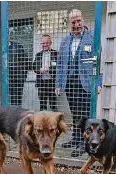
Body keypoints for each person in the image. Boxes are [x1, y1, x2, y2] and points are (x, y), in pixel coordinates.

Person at [55, 9, 103, 157]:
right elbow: (60, 64)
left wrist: (98, 82)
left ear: (83, 20)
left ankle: (84, 143)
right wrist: (58, 84)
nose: (76, 24)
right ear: (69, 23)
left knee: (85, 114)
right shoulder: (64, 41)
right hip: (70, 83)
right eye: (73, 22)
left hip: (86, 83)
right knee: (75, 113)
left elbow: (99, 61)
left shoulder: (92, 37)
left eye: (78, 21)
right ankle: (76, 139)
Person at [0, 33, 29, 106]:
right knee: (1, 102)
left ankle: (15, 117)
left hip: (16, 80)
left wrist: (23, 77)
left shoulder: (18, 47)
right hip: (1, 81)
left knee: (16, 103)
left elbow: (25, 63)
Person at [32, 34, 58, 111]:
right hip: (41, 83)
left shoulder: (56, 54)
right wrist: (39, 70)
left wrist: (49, 69)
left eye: (47, 43)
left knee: (53, 105)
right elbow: (34, 66)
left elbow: (59, 67)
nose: (45, 45)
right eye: (43, 43)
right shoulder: (38, 55)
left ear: (50, 43)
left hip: (52, 83)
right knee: (42, 105)